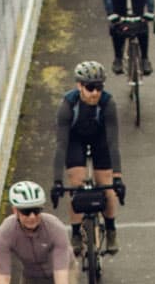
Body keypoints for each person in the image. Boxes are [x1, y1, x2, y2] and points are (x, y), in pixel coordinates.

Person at [52, 59, 125, 255]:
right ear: (79, 86)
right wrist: (57, 181)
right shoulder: (68, 105)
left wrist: (117, 178)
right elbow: (61, 145)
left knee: (106, 185)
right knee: (76, 184)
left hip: (100, 139)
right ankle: (76, 233)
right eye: (90, 87)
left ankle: (111, 230)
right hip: (75, 139)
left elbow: (113, 143)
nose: (94, 92)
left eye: (99, 87)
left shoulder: (107, 103)